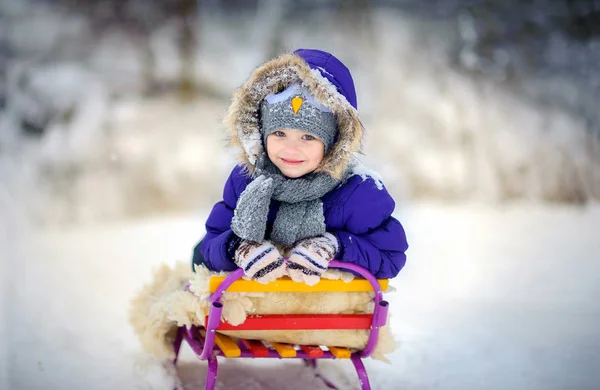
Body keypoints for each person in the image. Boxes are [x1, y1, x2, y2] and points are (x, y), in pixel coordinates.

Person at [192, 48, 408, 285]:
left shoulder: (358, 193)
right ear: (262, 134)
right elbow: (210, 245)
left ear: (334, 142)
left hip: (326, 314)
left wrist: (334, 246)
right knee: (197, 256)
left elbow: (390, 255)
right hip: (258, 314)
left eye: (308, 137)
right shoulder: (246, 180)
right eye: (279, 133)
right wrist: (237, 248)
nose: (291, 149)